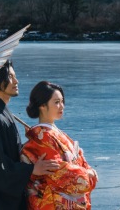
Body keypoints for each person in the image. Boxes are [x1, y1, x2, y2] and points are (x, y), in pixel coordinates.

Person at [0, 61, 59, 210]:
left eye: (15, 76)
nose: (16, 81)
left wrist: (30, 144)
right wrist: (32, 170)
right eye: (10, 77)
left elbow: (7, 153)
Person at [20, 81, 98, 209]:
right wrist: (88, 174)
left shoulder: (54, 133)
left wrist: (88, 170)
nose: (61, 106)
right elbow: (59, 171)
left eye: (62, 101)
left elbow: (79, 159)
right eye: (56, 102)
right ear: (42, 106)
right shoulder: (43, 137)